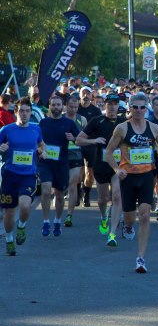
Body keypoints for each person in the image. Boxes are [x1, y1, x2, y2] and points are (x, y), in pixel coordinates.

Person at [103, 92, 158, 272]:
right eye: (135, 107)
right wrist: (117, 169)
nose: (139, 111)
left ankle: (141, 258)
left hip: (147, 175)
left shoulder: (154, 128)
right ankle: (127, 225)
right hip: (128, 177)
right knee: (131, 218)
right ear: (130, 108)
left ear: (146, 109)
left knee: (145, 215)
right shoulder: (122, 129)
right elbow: (108, 153)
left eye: (142, 107)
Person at [75, 93, 125, 244]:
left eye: (115, 104)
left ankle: (112, 233)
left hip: (118, 165)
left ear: (118, 106)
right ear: (105, 105)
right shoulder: (97, 121)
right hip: (101, 164)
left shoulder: (124, 122)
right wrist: (94, 140)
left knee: (117, 196)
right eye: (109, 104)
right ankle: (104, 217)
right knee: (103, 199)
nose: (112, 106)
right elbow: (78, 140)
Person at [0, 99, 45, 255]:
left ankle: (22, 226)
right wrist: (1, 147)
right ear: (16, 112)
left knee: (25, 205)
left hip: (28, 175)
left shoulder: (36, 129)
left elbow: (41, 144)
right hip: (10, 175)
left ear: (30, 112)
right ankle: (9, 240)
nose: (24, 114)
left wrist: (42, 151)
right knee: (9, 213)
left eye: (27, 111)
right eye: (21, 111)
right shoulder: (6, 130)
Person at [37, 94, 81, 237]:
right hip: (45, 162)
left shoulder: (69, 123)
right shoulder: (43, 123)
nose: (56, 107)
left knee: (60, 194)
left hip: (61, 164)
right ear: (49, 106)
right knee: (45, 189)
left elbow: (80, 139)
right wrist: (39, 150)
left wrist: (73, 138)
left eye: (58, 105)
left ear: (63, 107)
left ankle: (57, 220)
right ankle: (45, 221)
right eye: (53, 105)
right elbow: (36, 141)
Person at [62, 94, 86, 227]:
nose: (73, 109)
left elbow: (86, 137)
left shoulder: (82, 119)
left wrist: (75, 138)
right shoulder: (61, 118)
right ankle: (59, 195)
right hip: (61, 154)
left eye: (76, 107)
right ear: (66, 106)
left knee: (73, 183)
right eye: (71, 107)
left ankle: (69, 214)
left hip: (76, 154)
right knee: (60, 185)